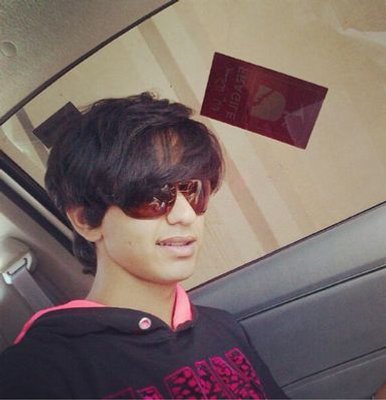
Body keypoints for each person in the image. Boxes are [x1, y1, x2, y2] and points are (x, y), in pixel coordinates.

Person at [0, 92, 287, 399]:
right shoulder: (35, 373)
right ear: (86, 220)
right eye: (154, 195)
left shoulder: (224, 328)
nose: (185, 215)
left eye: (194, 191)